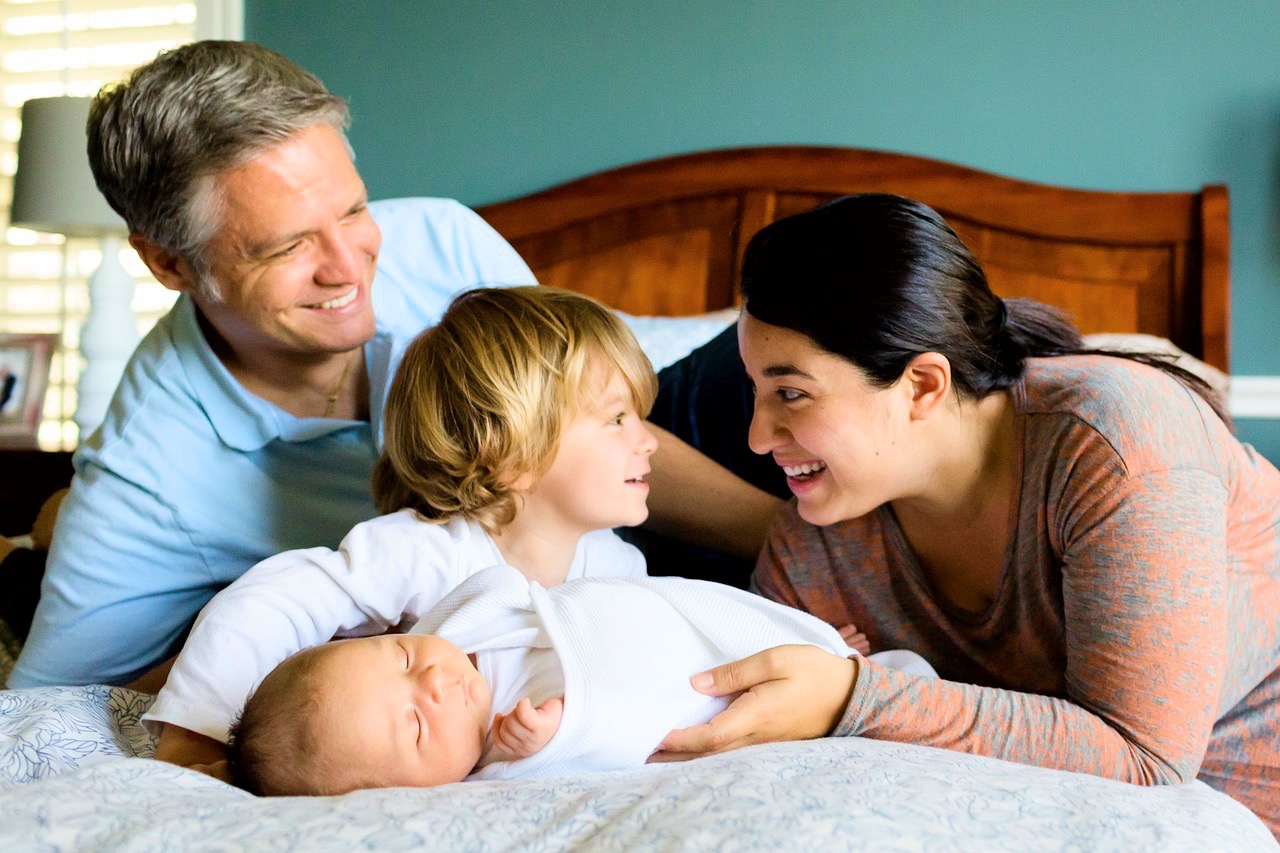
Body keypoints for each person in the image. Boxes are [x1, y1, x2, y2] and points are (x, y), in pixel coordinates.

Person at [6, 41, 780, 694]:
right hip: (526, 575)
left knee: (792, 350)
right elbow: (52, 708)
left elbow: (597, 427)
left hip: (626, 471)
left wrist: (788, 536)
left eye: (351, 211)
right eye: (287, 246)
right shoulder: (149, 470)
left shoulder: (440, 240)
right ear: (170, 263)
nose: (350, 267)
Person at [651, 193, 1280, 836]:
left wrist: (853, 695)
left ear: (923, 384)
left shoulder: (1115, 442)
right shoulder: (811, 548)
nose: (757, 438)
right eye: (755, 391)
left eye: (792, 393)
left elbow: (1147, 757)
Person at [226, 565, 934, 796]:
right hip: (708, 697)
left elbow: (592, 604)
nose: (437, 684)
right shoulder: (503, 760)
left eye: (405, 657)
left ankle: (831, 662)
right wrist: (546, 736)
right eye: (414, 726)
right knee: (895, 705)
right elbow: (610, 746)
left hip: (696, 632)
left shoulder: (472, 620)